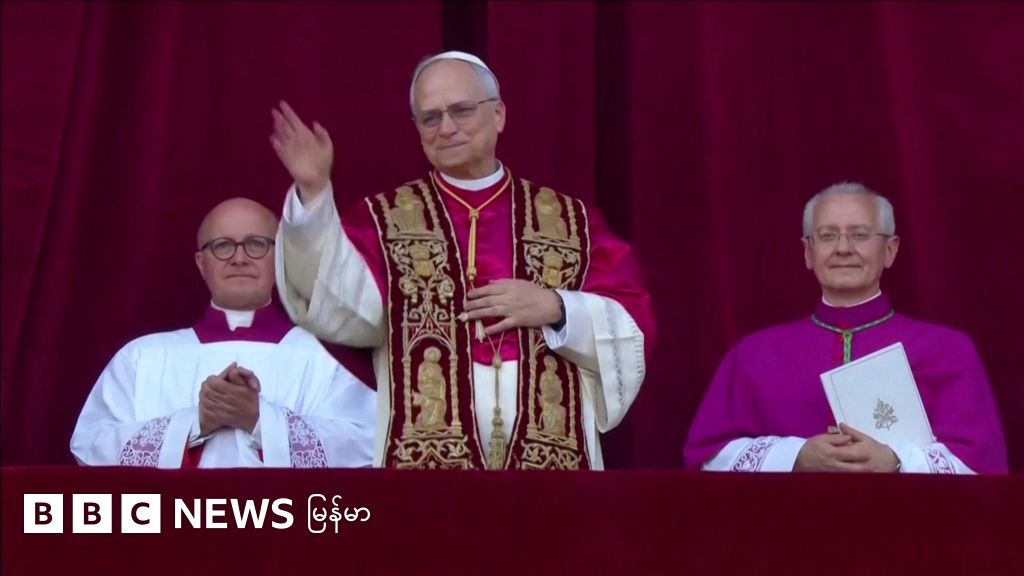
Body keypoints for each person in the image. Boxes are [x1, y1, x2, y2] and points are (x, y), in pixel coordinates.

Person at [270, 51, 655, 470]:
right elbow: (335, 301)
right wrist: (313, 193)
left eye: (461, 110)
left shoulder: (570, 221)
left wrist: (558, 307)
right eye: (430, 118)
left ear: (499, 115)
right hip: (425, 462)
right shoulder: (383, 220)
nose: (446, 127)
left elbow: (632, 326)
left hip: (550, 459)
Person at [684, 182, 1007, 474]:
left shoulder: (948, 351)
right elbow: (707, 459)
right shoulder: (755, 355)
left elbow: (982, 466)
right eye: (827, 236)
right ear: (808, 253)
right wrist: (796, 455)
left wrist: (895, 459)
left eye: (859, 235)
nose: (842, 248)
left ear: (890, 250)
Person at [71, 198, 375, 468]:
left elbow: (368, 445)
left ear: (280, 258)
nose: (239, 258)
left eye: (256, 244)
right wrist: (195, 422)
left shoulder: (328, 356)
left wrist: (260, 420)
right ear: (202, 264)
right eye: (223, 245)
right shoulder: (142, 356)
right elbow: (90, 445)